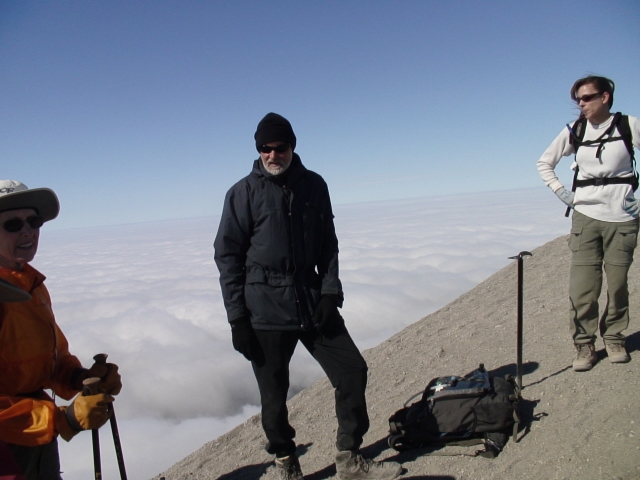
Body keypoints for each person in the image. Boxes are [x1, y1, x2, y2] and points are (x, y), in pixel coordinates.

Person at [214, 113, 402, 480]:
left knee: (352, 371)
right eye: (265, 148)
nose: (273, 154)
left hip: (312, 300)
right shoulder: (242, 193)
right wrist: (237, 320)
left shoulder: (315, 185)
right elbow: (228, 258)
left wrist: (329, 292)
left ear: (292, 146)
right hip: (265, 309)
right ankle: (286, 462)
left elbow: (328, 244)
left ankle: (349, 459)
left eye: (280, 147)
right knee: (273, 397)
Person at [0, 180, 123, 480]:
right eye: (13, 224)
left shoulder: (31, 285)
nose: (28, 231)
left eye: (33, 221)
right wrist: (62, 418)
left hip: (36, 437)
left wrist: (80, 377)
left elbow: (48, 360)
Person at [537, 76, 640, 371]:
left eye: (586, 98)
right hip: (585, 218)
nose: (581, 104)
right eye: (578, 99)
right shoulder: (575, 130)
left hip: (623, 219)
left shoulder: (628, 125)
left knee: (618, 285)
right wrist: (561, 192)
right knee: (583, 288)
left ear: (605, 97)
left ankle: (615, 339)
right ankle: (584, 345)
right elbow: (544, 162)